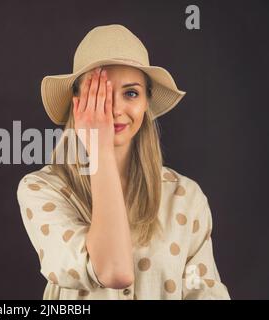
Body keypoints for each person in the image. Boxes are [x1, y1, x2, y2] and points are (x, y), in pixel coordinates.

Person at [16, 24, 231, 300]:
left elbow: (204, 292)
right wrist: (99, 150)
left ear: (146, 103)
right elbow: (113, 270)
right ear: (77, 104)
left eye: (130, 93)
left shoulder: (186, 197)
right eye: (100, 95)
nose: (115, 109)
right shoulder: (41, 189)